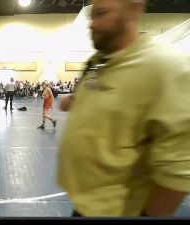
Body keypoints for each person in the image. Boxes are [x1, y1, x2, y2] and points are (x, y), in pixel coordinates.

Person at [58, 0, 190, 217]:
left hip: (119, 211)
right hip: (86, 204)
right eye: (92, 16)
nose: (91, 24)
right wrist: (74, 101)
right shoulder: (99, 61)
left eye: (101, 14)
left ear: (134, 10)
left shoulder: (167, 67)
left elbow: (178, 172)